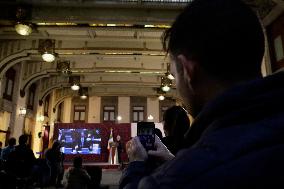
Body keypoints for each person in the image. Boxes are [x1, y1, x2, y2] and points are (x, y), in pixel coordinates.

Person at [119, 0, 284, 188]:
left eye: (174, 75)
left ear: (188, 72)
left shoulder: (176, 179)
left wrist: (136, 166)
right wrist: (176, 163)